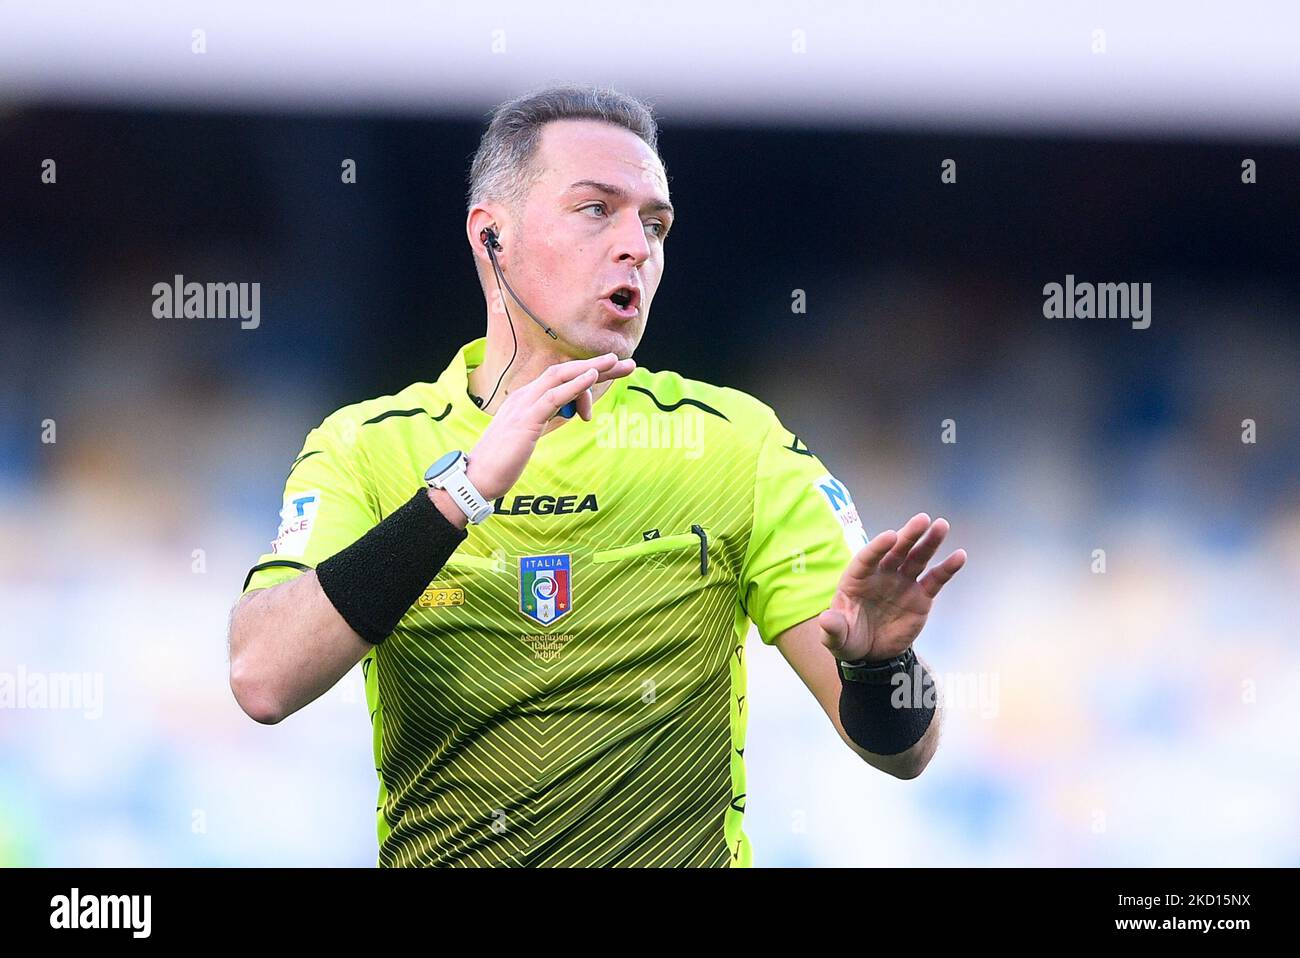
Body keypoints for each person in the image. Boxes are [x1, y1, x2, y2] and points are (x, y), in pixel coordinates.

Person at [228, 83, 966, 867]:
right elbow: (262, 679)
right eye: (595, 210)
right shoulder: (366, 447)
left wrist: (882, 667)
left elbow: (900, 753)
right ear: (492, 236)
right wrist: (461, 494)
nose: (637, 247)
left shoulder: (733, 446)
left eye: (655, 223)